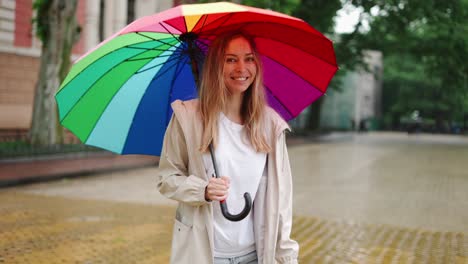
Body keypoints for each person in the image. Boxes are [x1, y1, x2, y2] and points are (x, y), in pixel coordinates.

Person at [156, 31, 299, 264]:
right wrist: (202, 190)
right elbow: (166, 178)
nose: (241, 68)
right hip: (204, 255)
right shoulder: (188, 117)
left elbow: (281, 202)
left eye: (249, 58)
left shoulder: (270, 125)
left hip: (256, 255)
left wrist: (286, 257)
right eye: (230, 59)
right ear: (215, 66)